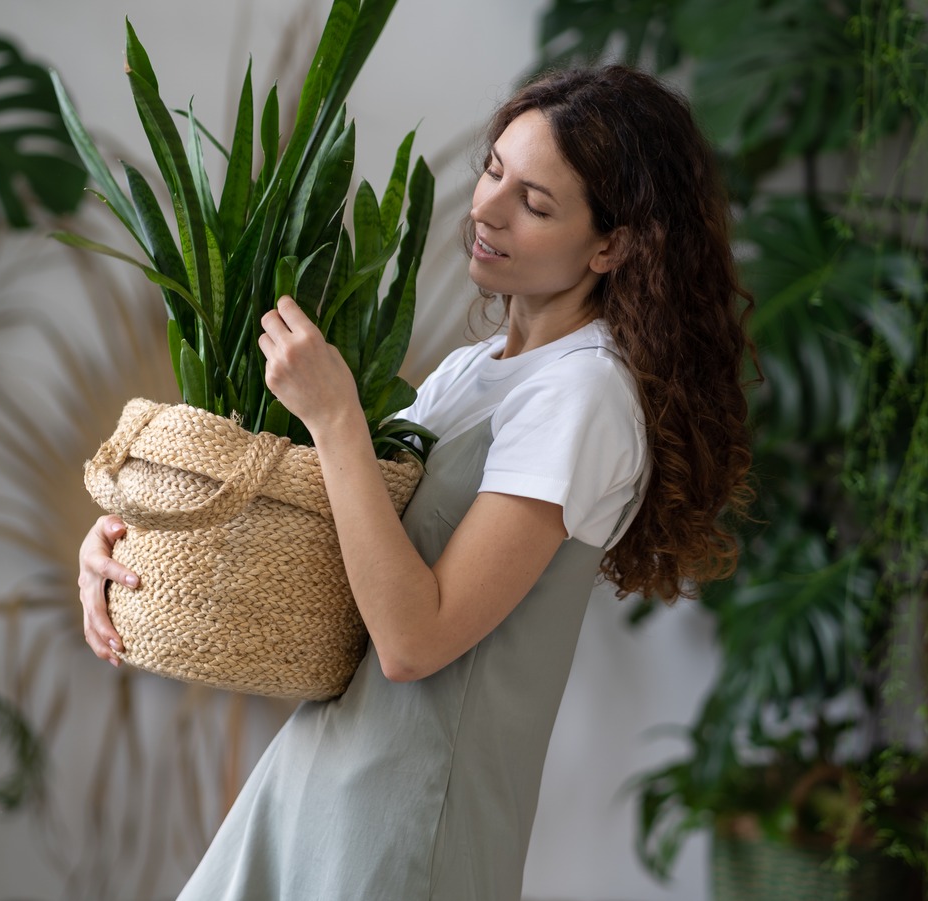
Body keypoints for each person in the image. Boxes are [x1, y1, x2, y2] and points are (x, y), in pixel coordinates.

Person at [77, 63, 754, 900]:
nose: (487, 210)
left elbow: (413, 640)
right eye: (495, 172)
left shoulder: (584, 394)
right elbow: (331, 554)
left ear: (611, 246)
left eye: (535, 204)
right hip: (324, 775)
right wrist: (135, 543)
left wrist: (336, 420)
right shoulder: (474, 372)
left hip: (402, 823)